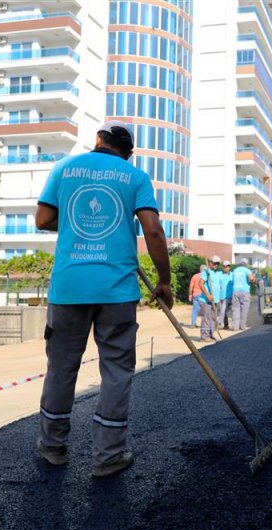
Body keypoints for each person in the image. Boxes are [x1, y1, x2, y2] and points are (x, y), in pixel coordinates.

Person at [34, 120, 173, 477]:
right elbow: (153, 231)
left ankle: (53, 448)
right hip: (116, 290)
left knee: (61, 368)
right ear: (128, 152)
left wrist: (75, 220)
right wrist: (164, 281)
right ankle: (108, 456)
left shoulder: (64, 168)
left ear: (98, 140)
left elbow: (43, 218)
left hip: (69, 288)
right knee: (115, 370)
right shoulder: (134, 176)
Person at [197, 256, 220, 341]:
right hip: (206, 300)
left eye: (217, 263)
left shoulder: (215, 273)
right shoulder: (206, 272)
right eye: (214, 263)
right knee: (206, 318)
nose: (216, 265)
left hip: (214, 301)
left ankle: (211, 334)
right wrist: (207, 295)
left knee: (213, 318)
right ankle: (204, 336)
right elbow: (201, 284)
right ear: (210, 262)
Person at [232, 258, 257, 330]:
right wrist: (254, 280)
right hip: (244, 291)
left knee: (236, 309)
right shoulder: (246, 270)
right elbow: (251, 279)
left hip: (235, 291)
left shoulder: (235, 270)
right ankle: (242, 326)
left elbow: (233, 281)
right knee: (244, 309)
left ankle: (235, 327)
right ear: (246, 264)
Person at [217, 260, 234, 328]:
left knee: (223, 309)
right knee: (222, 310)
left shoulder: (233, 274)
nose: (226, 268)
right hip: (220, 295)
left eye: (228, 266)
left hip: (229, 295)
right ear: (222, 267)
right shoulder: (218, 274)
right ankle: (226, 324)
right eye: (225, 266)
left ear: (229, 267)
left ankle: (219, 323)